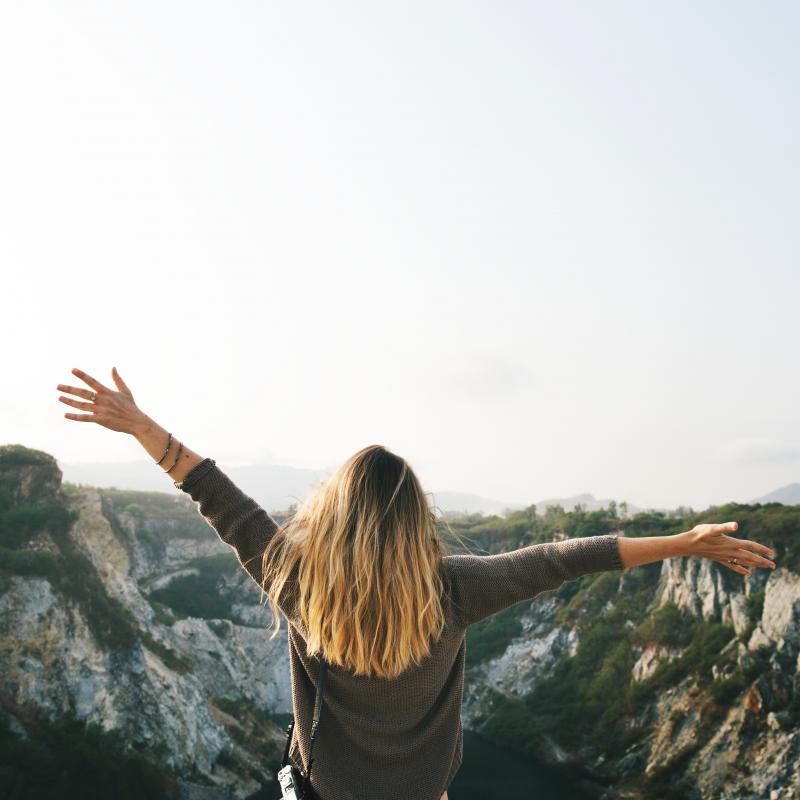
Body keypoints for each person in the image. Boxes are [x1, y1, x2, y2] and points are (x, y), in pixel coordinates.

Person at [57, 367, 777, 800]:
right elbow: (564, 558)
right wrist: (683, 543)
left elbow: (216, 496)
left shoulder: (299, 582)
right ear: (417, 519)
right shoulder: (455, 590)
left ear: (331, 516)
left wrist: (143, 426)